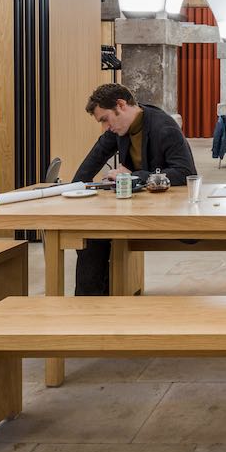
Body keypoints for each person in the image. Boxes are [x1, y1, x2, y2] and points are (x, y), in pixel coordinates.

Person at [70, 83, 197, 296]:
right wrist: (74, 188)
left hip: (168, 210)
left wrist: (134, 176)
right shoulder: (119, 129)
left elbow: (184, 173)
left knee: (96, 235)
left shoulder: (164, 127)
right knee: (91, 232)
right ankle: (93, 300)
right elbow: (95, 157)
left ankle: (92, 300)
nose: (105, 127)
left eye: (105, 119)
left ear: (121, 105)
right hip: (137, 205)